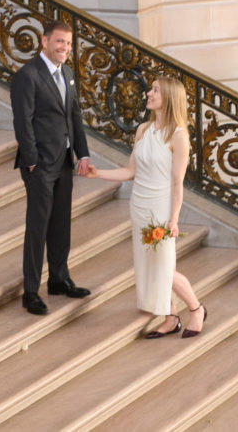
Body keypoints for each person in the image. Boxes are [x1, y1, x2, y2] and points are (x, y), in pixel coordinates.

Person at [86, 76, 206, 339]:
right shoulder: (142, 130)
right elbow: (130, 171)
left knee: (164, 267)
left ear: (169, 98)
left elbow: (177, 184)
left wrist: (174, 220)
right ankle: (171, 316)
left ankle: (196, 309)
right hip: (138, 206)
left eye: (154, 90)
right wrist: (98, 174)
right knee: (150, 265)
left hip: (161, 209)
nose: (147, 94)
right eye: (150, 89)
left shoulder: (179, 136)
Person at [10, 20, 92, 315]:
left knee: (61, 223)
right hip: (40, 165)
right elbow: (23, 122)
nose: (65, 48)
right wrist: (31, 161)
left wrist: (82, 154)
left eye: (68, 44)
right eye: (59, 42)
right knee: (38, 227)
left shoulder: (67, 73)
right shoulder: (27, 76)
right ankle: (30, 291)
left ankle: (59, 279)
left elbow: (74, 115)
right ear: (44, 41)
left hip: (65, 161)